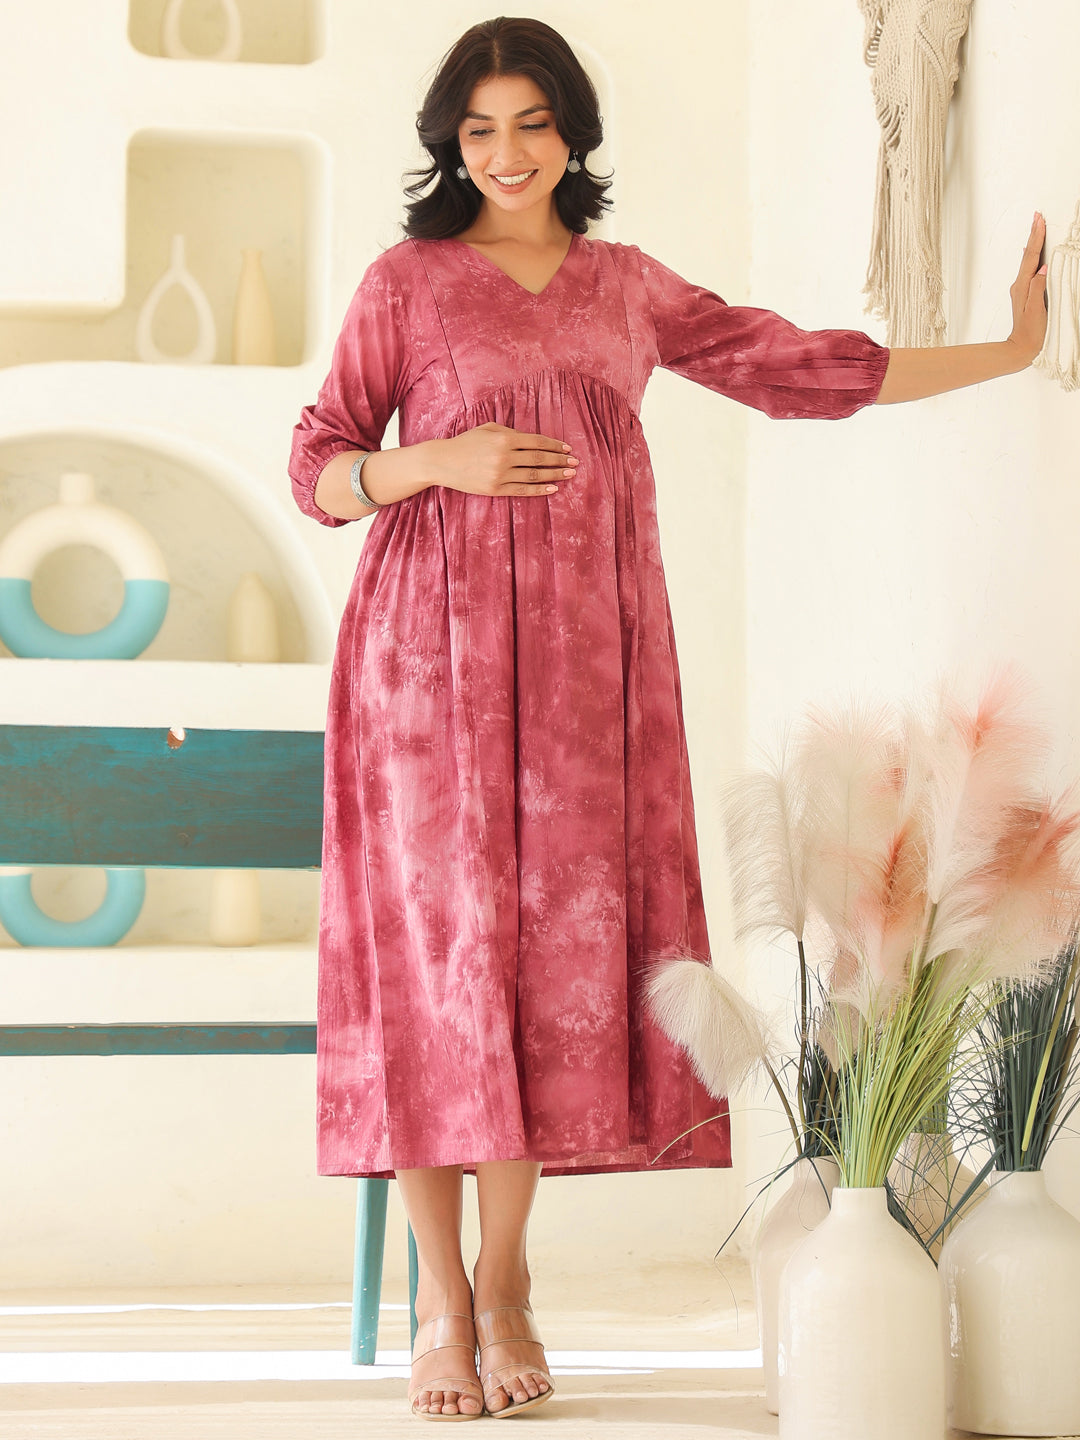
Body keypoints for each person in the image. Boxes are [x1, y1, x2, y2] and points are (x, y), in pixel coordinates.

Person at [288, 17, 1048, 1422]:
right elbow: (319, 464)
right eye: (477, 130)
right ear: (450, 145)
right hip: (424, 676)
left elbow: (802, 367)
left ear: (572, 131)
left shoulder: (627, 287)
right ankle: (442, 1305)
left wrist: (1009, 352)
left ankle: (508, 1282)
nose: (505, 153)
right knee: (441, 971)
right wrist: (434, 458)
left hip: (588, 687)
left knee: (530, 974)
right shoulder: (407, 282)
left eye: (530, 123)